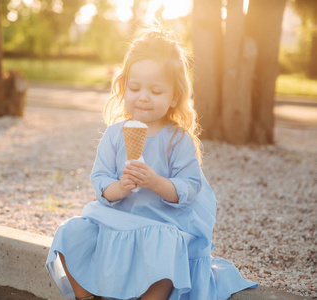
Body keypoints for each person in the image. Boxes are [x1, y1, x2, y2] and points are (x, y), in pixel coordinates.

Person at [46, 26, 257, 300]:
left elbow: (190, 187)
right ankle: (87, 295)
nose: (143, 96)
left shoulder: (177, 139)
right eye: (135, 88)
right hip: (118, 218)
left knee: (166, 248)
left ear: (173, 97)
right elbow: (100, 180)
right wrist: (119, 187)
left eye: (156, 91)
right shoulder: (114, 134)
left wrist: (156, 183)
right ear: (124, 88)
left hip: (162, 223)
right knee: (70, 233)